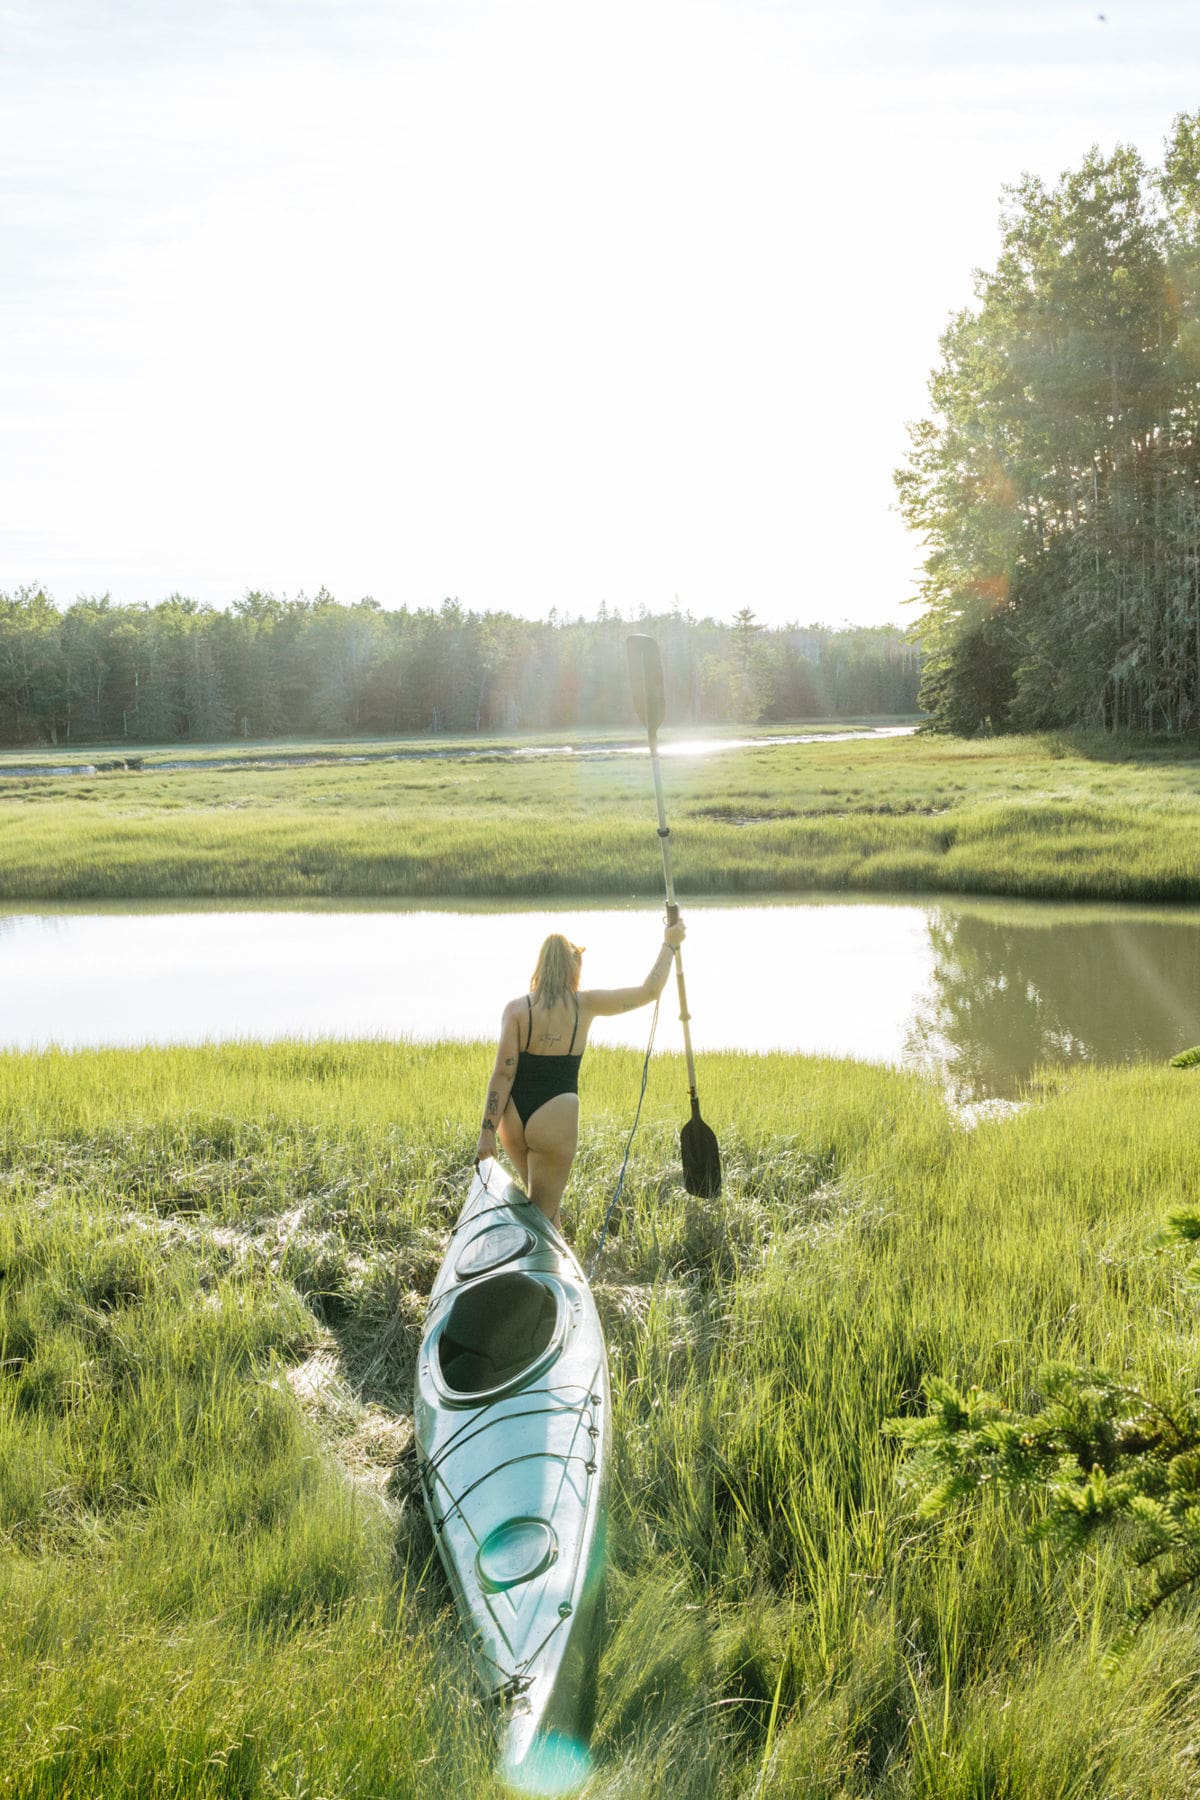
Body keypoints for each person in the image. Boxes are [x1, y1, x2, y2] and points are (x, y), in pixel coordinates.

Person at [474, 918, 687, 1228]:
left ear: (541, 965)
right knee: (543, 1215)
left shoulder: (516, 1010)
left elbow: (502, 1075)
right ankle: (546, 1274)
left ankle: (551, 1266)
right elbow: (649, 990)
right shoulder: (585, 1004)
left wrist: (487, 1132)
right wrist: (669, 944)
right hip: (554, 1116)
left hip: (513, 1119)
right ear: (573, 967)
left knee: (544, 1210)